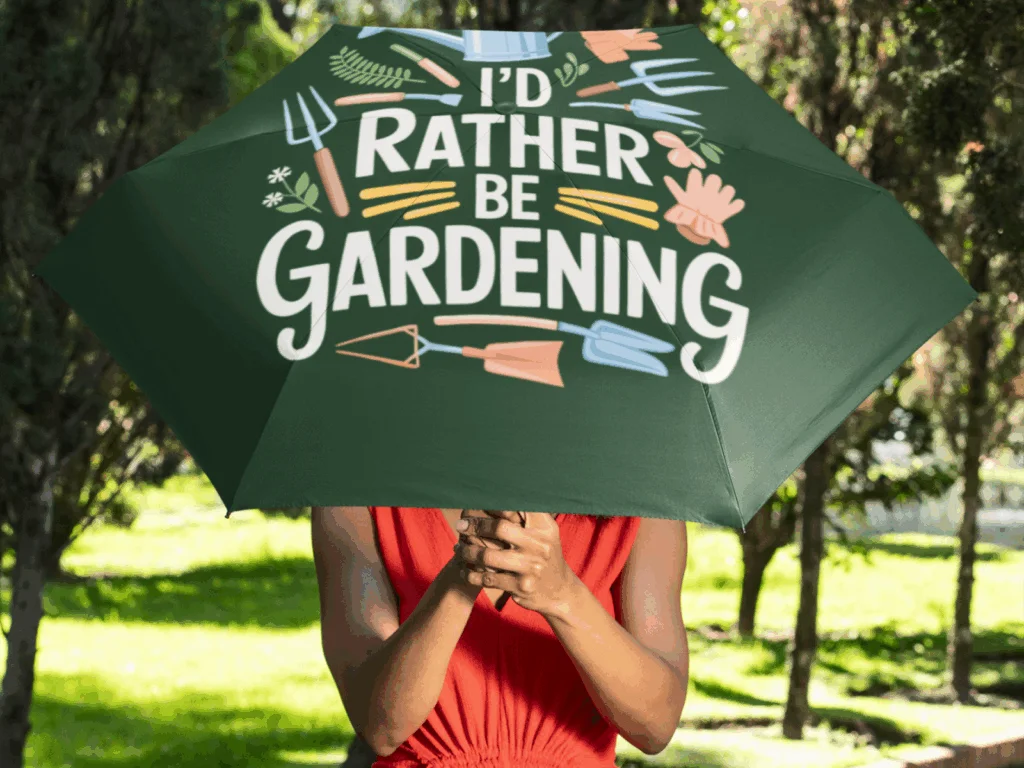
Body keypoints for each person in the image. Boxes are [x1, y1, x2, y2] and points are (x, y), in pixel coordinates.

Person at [311, 506, 689, 768]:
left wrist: (564, 596)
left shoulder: (643, 508)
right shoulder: (356, 499)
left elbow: (655, 726)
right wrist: (464, 576)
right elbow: (380, 725)